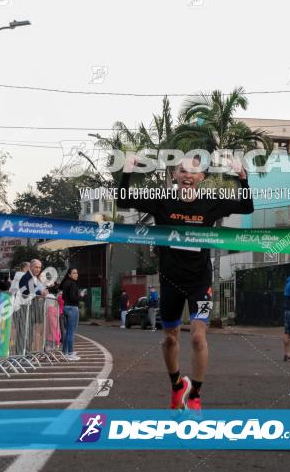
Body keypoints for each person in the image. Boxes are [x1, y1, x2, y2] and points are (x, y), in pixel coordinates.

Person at [115, 154, 253, 411]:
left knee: (199, 337)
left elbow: (246, 207)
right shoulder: (162, 202)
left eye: (194, 171)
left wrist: (243, 178)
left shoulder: (210, 204)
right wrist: (126, 171)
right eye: (182, 170)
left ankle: (196, 394)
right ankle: (177, 385)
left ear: (201, 178)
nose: (188, 175)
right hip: (170, 280)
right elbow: (123, 200)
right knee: (170, 338)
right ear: (175, 176)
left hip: (199, 281)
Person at [60, 268, 83, 361]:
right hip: (72, 308)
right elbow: (73, 297)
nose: (76, 275)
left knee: (68, 331)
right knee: (71, 332)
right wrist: (80, 296)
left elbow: (63, 296)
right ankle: (70, 353)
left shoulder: (65, 283)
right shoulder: (73, 283)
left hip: (65, 307)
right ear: (69, 274)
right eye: (74, 273)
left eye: (77, 273)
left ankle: (65, 352)